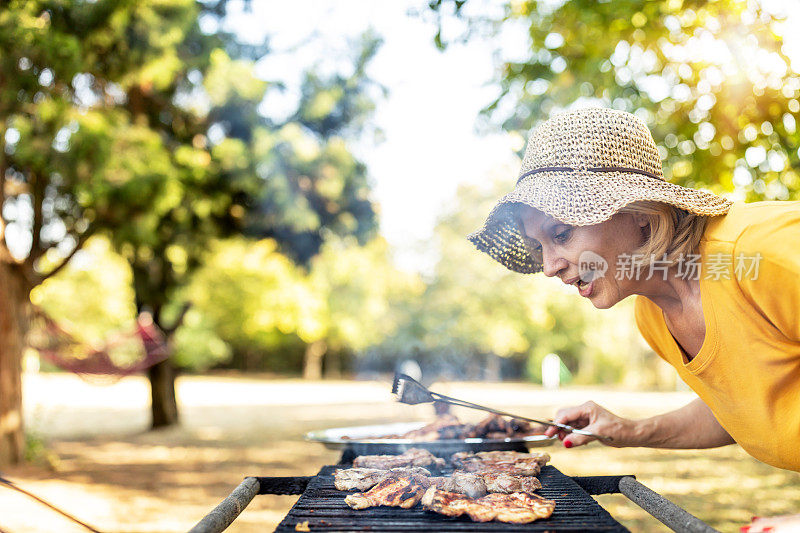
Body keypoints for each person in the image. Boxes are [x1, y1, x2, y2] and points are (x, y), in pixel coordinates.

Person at [468, 106, 800, 473]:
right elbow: (749, 409)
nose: (548, 267)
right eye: (539, 246)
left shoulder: (762, 254)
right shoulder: (652, 316)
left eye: (561, 234)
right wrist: (628, 429)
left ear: (640, 210)